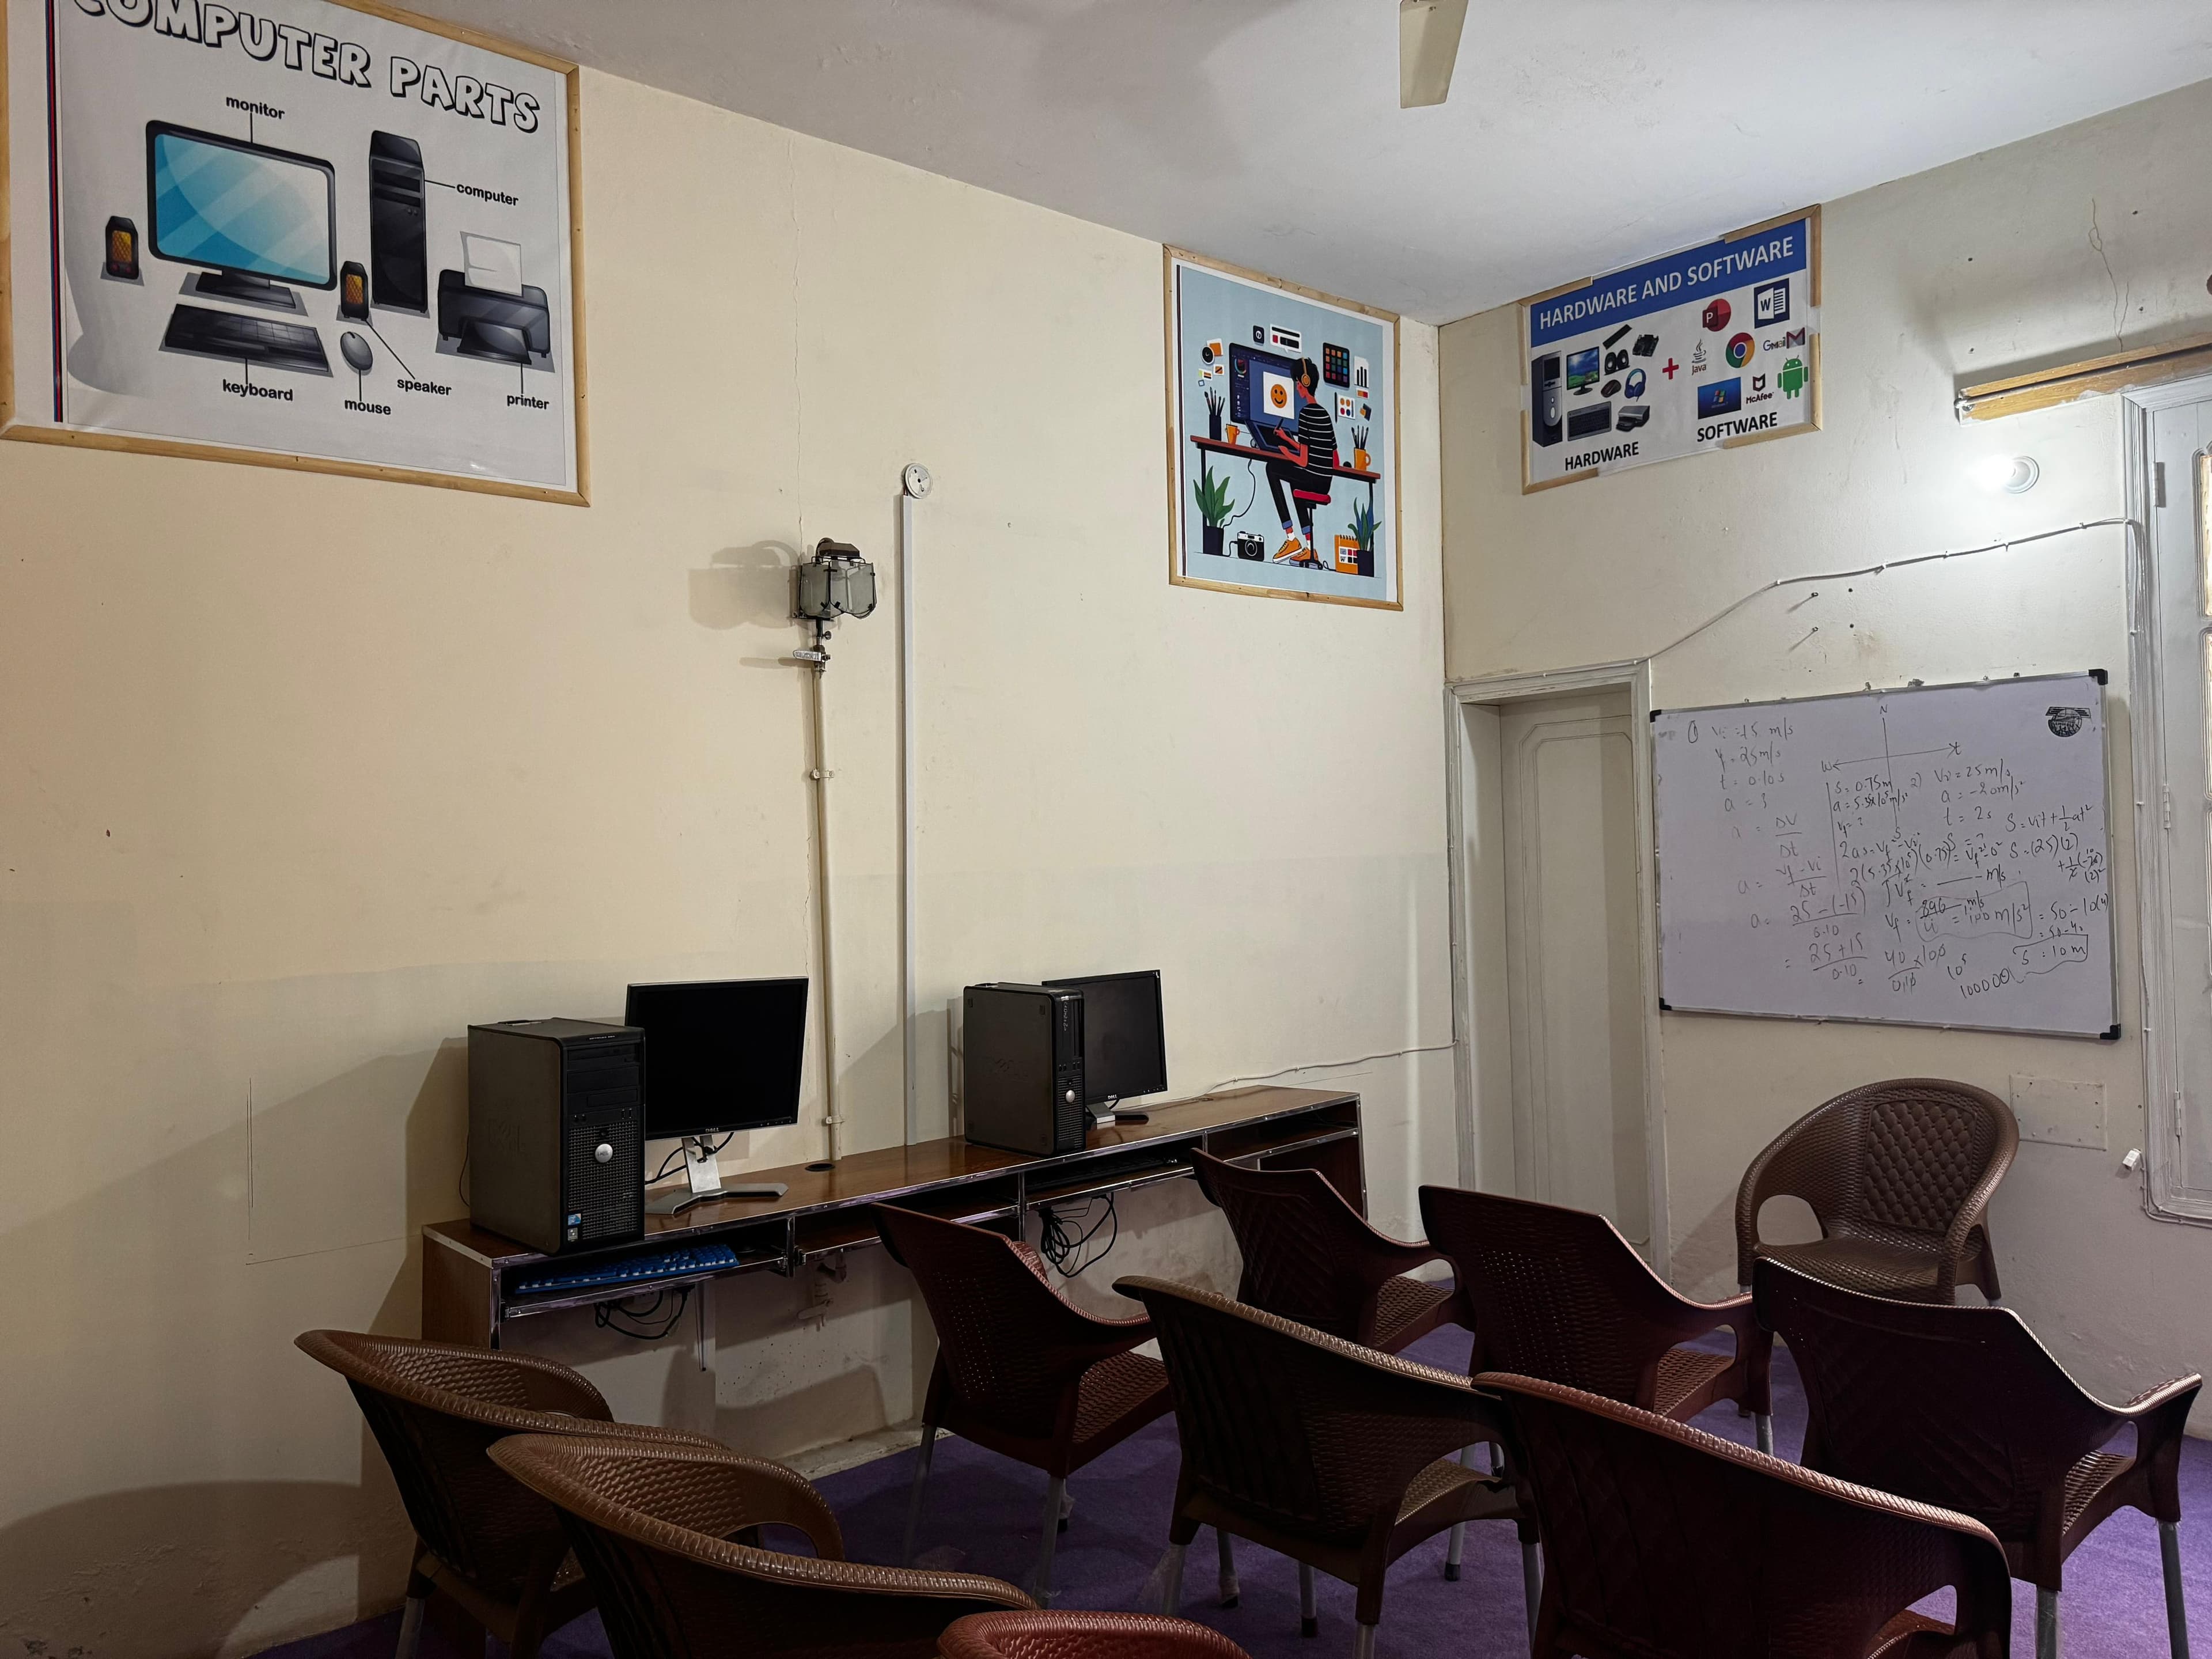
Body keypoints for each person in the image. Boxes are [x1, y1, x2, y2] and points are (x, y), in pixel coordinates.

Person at [1259, 358, 1338, 565]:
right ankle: (1311, 548)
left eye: (1296, 382)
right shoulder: (1325, 415)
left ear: (1304, 382)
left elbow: (1303, 461)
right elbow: (1334, 458)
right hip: (1324, 482)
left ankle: (1291, 538)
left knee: (1273, 469)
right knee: (1296, 479)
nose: (1296, 387)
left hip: (1311, 478)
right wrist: (1288, 440)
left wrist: (1286, 452)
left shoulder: (1305, 414)